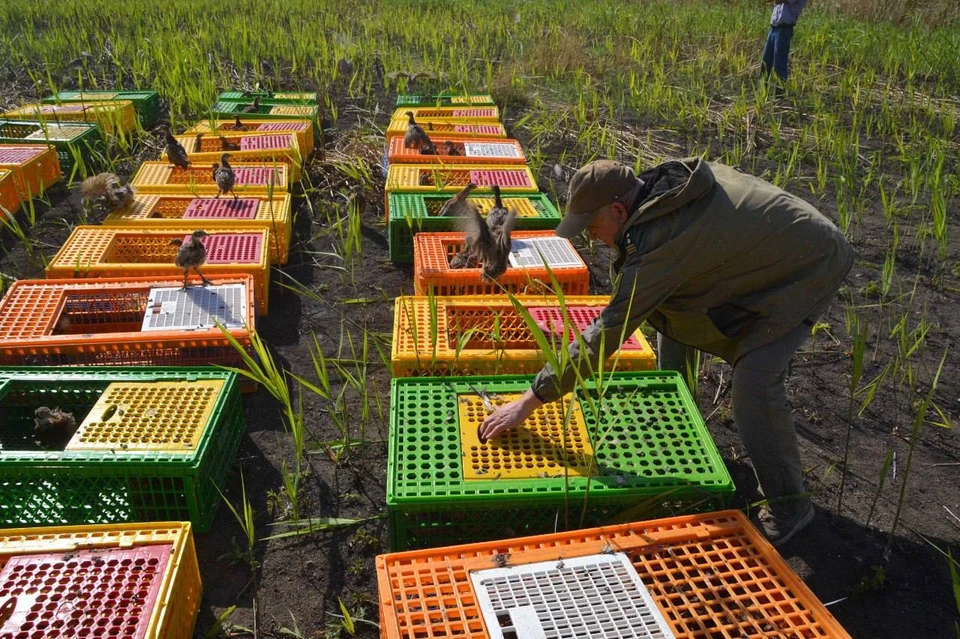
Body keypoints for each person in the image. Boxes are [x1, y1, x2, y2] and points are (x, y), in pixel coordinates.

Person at [479, 158, 854, 546]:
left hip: (810, 263)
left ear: (619, 210)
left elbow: (606, 333)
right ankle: (681, 420)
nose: (593, 240)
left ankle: (790, 507)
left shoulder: (664, 238)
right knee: (669, 305)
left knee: (754, 386)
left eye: (593, 228)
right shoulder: (661, 195)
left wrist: (530, 399)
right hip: (769, 248)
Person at [761, 0, 809, 92]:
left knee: (779, 64)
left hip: (784, 30)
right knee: (765, 62)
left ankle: (780, 95)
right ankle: (761, 92)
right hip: (774, 28)